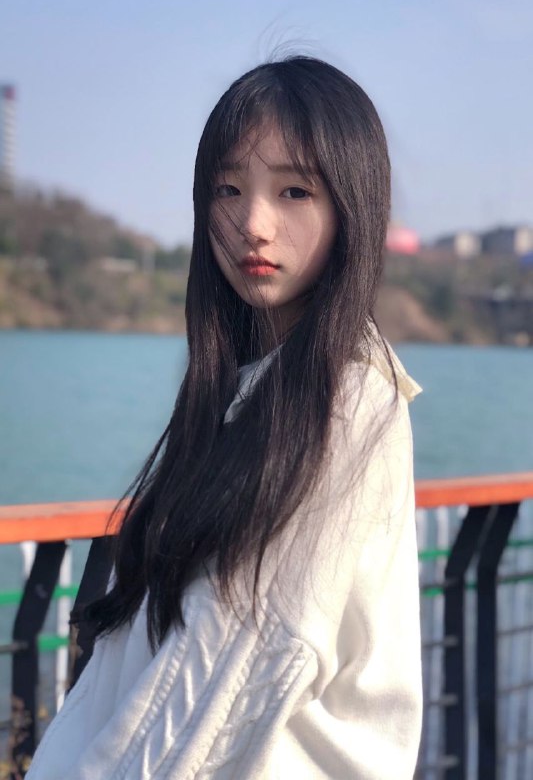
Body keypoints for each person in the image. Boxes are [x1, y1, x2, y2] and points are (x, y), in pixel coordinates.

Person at [27, 56, 423, 779]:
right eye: (228, 189)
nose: (252, 224)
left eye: (294, 190)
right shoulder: (248, 386)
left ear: (352, 207)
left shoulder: (344, 398)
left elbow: (236, 667)